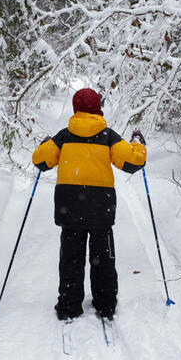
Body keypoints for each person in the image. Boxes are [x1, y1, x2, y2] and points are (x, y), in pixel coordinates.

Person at [32, 88, 146, 321]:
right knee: (103, 257)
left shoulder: (64, 136)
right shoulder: (107, 136)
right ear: (97, 108)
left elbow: (41, 161)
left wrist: (45, 144)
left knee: (71, 257)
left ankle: (69, 304)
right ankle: (105, 304)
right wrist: (138, 143)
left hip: (69, 206)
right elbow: (133, 163)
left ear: (75, 109)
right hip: (100, 208)